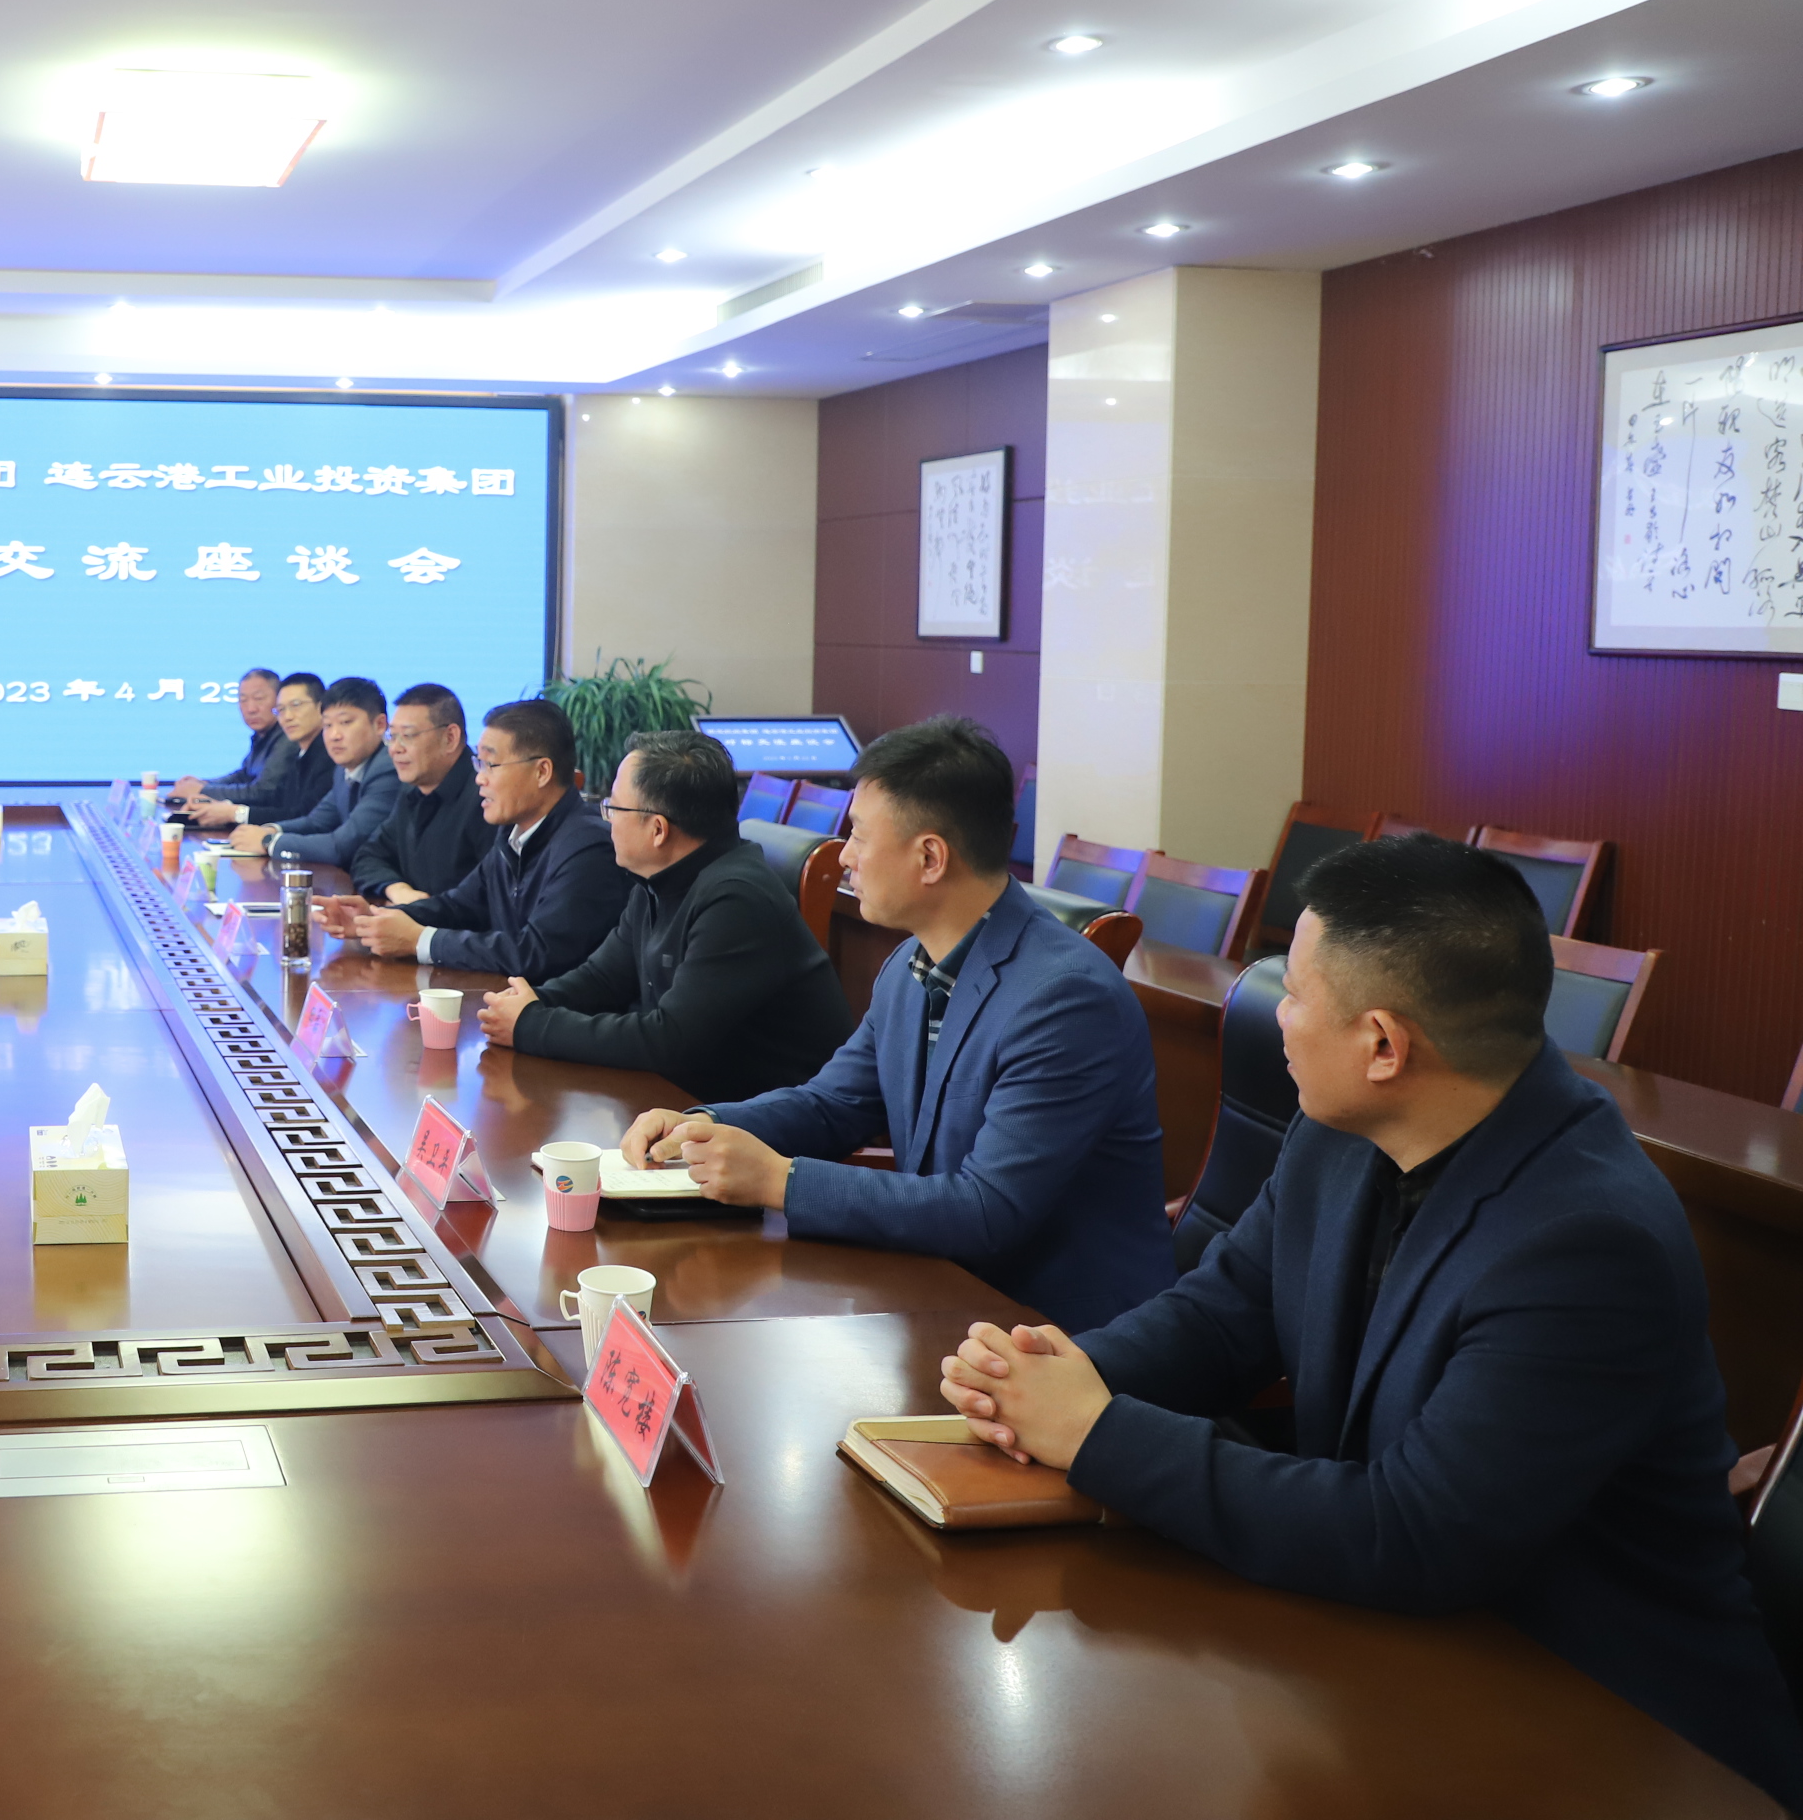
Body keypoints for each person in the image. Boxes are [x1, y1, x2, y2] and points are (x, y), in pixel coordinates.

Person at [937, 836, 1803, 1807]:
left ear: (1385, 1045)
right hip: (1414, 1655)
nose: (1279, 1015)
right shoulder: (1339, 1133)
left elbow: (1414, 1532)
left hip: (1614, 1724)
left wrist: (1097, 1432)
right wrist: (1048, 1379)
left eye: (1297, 994)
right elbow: (1222, 1316)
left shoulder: (1587, 1242)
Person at [619, 715, 1169, 1332]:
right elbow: (833, 1105)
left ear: (930, 857)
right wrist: (706, 1124)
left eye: (858, 834)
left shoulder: (1065, 999)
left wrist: (781, 1181)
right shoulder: (912, 963)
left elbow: (986, 1210)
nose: (844, 856)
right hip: (941, 1294)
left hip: (1059, 1334)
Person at [482, 728, 853, 1103]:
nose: (607, 820)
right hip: (689, 1099)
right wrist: (527, 1003)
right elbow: (603, 978)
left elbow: (670, 1040)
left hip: (766, 1119)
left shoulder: (737, 899)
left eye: (613, 808)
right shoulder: (658, 877)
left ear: (658, 829)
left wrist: (531, 1024)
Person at [319, 699, 628, 983]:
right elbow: (459, 906)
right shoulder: (512, 833)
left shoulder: (588, 847)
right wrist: (376, 922)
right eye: (479, 764)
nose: (480, 778)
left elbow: (536, 953)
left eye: (490, 764)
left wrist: (420, 940)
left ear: (542, 771)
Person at [228, 676, 401, 868]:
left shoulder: (388, 769)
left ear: (380, 725)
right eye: (328, 725)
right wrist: (270, 830)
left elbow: (341, 846)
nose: (334, 735)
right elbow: (316, 822)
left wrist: (268, 842)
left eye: (345, 722)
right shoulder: (344, 768)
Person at [348, 683, 494, 905]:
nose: (395, 749)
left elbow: (485, 899)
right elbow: (368, 855)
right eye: (392, 736)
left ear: (450, 738)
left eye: (407, 736)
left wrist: (417, 910)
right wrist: (397, 890)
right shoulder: (412, 790)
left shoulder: (485, 797)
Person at [185, 673, 334, 828]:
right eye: (281, 709)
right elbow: (276, 801)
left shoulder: (328, 755)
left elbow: (304, 816)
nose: (288, 716)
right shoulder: (300, 753)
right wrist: (222, 805)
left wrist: (233, 812)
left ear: (321, 707)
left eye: (296, 705)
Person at [172, 669, 282, 805]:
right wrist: (204, 783)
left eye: (259, 698)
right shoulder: (262, 735)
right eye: (243, 700)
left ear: (279, 700)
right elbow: (244, 776)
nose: (251, 709)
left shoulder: (287, 738)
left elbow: (261, 792)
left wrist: (202, 790)